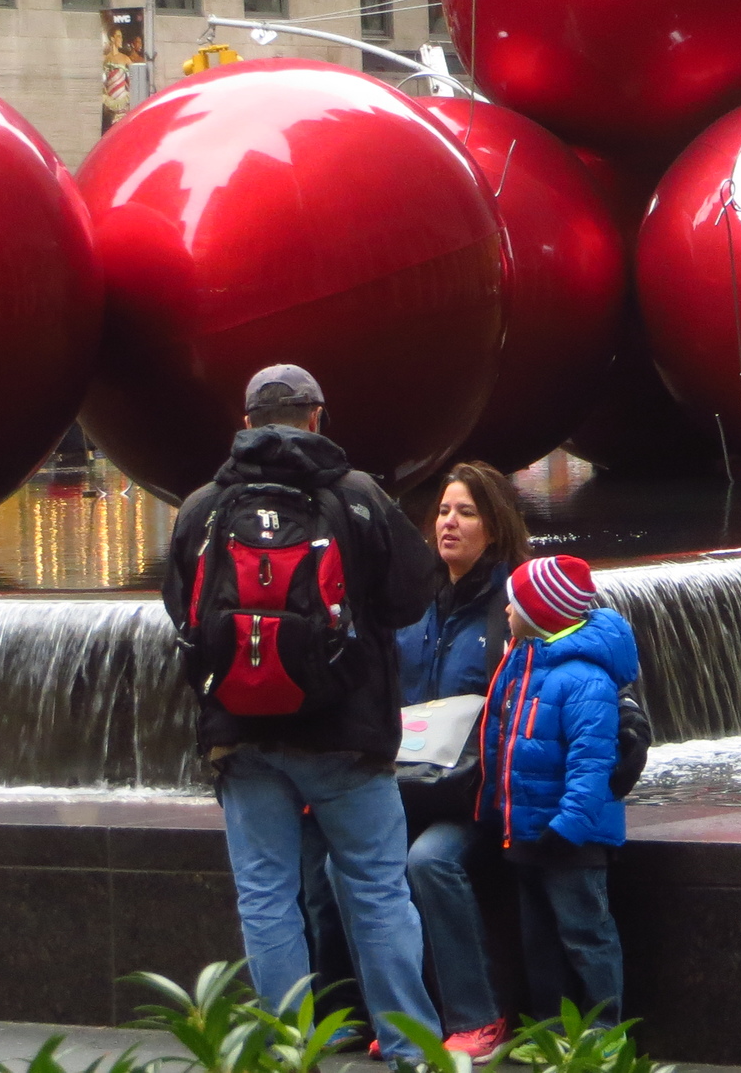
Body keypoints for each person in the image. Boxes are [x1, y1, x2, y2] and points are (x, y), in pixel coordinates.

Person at [160, 365, 444, 1066]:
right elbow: (414, 594)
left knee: (266, 893)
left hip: (242, 734)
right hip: (347, 734)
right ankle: (413, 1050)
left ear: (248, 420)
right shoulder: (356, 496)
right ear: (318, 416)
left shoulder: (203, 505)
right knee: (377, 889)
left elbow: (181, 611)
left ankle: (290, 1050)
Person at [397, 463, 534, 1056]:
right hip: (407, 784)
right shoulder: (412, 601)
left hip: (478, 794)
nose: (449, 524)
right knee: (340, 868)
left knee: (431, 861)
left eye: (466, 512)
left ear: (495, 528)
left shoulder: (512, 609)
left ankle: (479, 1015)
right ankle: (402, 1018)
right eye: (444, 511)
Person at [478, 554, 638, 1027]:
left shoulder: (585, 678)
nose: (505, 611)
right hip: (527, 829)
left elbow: (591, 764)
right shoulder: (524, 661)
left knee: (585, 934)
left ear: (539, 612)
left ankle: (605, 1033)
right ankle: (551, 1030)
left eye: (513, 604)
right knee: (539, 940)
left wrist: (567, 828)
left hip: (572, 840)